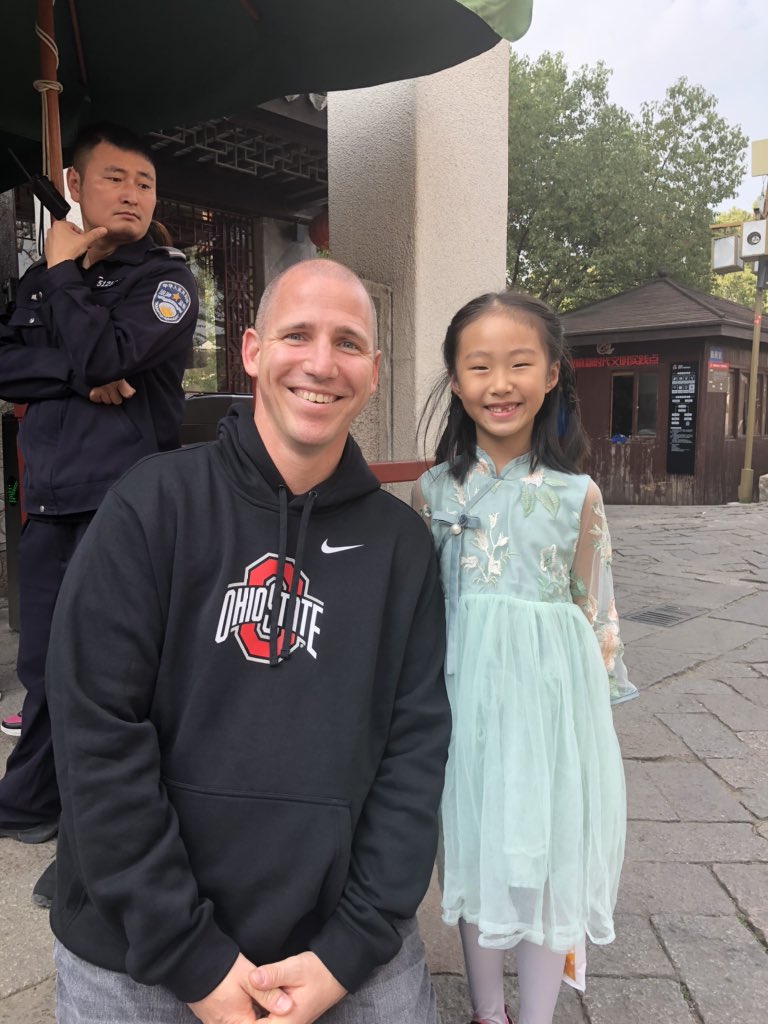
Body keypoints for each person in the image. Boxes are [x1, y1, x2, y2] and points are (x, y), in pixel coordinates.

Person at [45, 258, 450, 1024]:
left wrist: (350, 948)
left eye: (348, 342)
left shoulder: (403, 548)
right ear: (255, 352)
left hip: (343, 953)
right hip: (135, 948)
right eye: (298, 335)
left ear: (372, 369)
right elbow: (96, 736)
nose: (321, 363)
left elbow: (415, 753)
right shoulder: (149, 507)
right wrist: (193, 959)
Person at [413, 292, 638, 1024]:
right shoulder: (435, 490)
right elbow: (425, 608)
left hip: (548, 706)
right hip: (462, 702)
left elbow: (593, 608)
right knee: (474, 846)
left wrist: (592, 719)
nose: (499, 383)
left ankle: (536, 1014)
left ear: (551, 376)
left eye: (519, 364)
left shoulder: (579, 497)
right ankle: (487, 1009)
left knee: (544, 858)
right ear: (455, 380)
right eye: (479, 365)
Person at [0, 123, 198, 904]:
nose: (133, 194)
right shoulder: (45, 280)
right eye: (114, 179)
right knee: (45, 664)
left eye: (145, 184)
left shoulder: (167, 282)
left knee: (113, 676)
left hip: (126, 505)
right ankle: (30, 802)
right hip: (49, 499)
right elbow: (9, 364)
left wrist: (65, 280)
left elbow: (113, 356)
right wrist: (77, 374)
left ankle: (97, 836)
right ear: (75, 187)